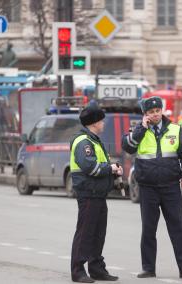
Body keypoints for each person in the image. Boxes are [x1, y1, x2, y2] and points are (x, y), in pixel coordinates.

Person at [122, 96, 182, 280]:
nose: (155, 114)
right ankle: (148, 268)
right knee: (148, 229)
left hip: (171, 186)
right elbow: (128, 147)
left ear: (161, 111)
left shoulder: (174, 129)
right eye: (151, 112)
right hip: (148, 188)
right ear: (145, 114)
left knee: (179, 228)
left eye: (157, 111)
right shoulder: (139, 130)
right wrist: (142, 128)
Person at [70, 102, 122, 283]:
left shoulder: (93, 141)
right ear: (94, 122)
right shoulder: (83, 142)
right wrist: (111, 169)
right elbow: (90, 168)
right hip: (89, 193)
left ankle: (96, 268)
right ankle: (77, 270)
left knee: (98, 234)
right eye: (102, 120)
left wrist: (112, 169)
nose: (104, 123)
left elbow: (98, 165)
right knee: (85, 233)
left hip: (98, 194)